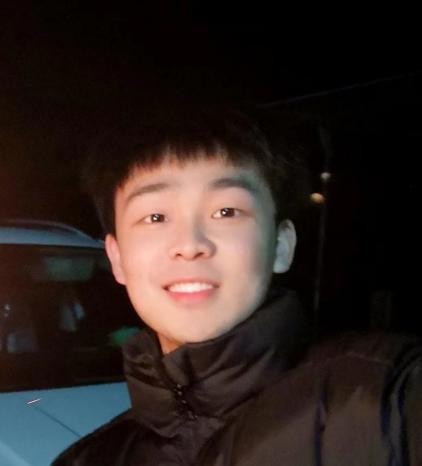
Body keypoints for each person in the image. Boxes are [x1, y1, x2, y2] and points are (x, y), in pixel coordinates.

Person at [53, 103, 422, 465]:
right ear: (117, 258)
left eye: (226, 212)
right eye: (155, 217)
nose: (190, 245)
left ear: (281, 246)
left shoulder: (387, 398)